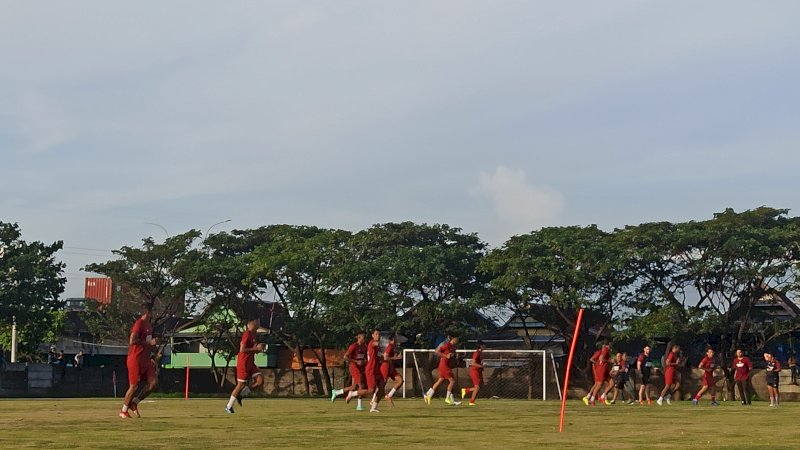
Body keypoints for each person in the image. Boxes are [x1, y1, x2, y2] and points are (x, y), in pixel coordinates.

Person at [120, 302, 158, 419]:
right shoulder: (139, 323)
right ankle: (123, 411)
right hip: (135, 358)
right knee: (134, 386)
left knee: (153, 383)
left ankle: (134, 403)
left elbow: (148, 344)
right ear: (148, 311)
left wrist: (153, 350)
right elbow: (132, 340)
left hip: (146, 359)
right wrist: (149, 343)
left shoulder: (149, 326)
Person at [225, 317, 265, 414]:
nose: (259, 323)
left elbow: (253, 349)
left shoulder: (254, 334)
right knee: (240, 385)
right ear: (253, 322)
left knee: (260, 380)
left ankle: (242, 395)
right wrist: (255, 349)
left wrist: (259, 348)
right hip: (244, 363)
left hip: (251, 363)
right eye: (258, 321)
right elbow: (242, 350)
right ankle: (228, 406)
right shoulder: (247, 334)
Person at [331, 332, 367, 410]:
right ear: (359, 338)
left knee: (353, 387)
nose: (365, 340)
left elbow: (364, 358)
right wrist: (355, 361)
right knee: (361, 385)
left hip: (360, 368)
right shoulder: (353, 346)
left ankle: (337, 392)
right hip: (354, 367)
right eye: (364, 338)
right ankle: (359, 405)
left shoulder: (364, 347)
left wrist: (364, 362)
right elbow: (345, 357)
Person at [424, 335, 461, 406]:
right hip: (444, 366)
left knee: (440, 381)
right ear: (451, 339)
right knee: (452, 381)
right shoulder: (446, 345)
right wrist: (445, 355)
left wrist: (455, 356)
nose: (455, 341)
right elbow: (437, 351)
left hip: (447, 365)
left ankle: (428, 395)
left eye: (456, 340)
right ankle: (448, 399)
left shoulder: (453, 347)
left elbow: (452, 354)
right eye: (454, 340)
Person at [583, 341, 612, 406]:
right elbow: (595, 359)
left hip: (604, 369)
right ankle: (591, 399)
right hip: (599, 369)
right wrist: (598, 364)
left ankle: (601, 397)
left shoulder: (606, 351)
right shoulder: (603, 351)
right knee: (598, 384)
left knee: (611, 382)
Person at [364, 329, 385, 413]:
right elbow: (377, 344)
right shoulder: (372, 343)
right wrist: (389, 343)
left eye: (379, 334)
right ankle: (353, 394)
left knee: (381, 388)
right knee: (371, 390)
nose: (378, 336)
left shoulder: (378, 347)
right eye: (376, 334)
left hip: (377, 370)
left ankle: (373, 407)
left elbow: (381, 356)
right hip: (370, 369)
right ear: (372, 335)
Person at [380, 333, 404, 406]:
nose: (398, 340)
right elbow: (385, 357)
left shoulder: (393, 347)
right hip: (385, 367)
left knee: (400, 380)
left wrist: (396, 356)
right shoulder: (389, 346)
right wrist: (396, 358)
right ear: (393, 339)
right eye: (396, 338)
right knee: (382, 385)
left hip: (391, 368)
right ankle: (373, 400)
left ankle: (389, 395)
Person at [461, 340, 486, 406]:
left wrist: (482, 365)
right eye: (484, 345)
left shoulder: (481, 353)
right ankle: (471, 401)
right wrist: (481, 366)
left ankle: (466, 390)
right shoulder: (477, 353)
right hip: (474, 371)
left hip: (479, 371)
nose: (485, 346)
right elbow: (473, 362)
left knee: (480, 386)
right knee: (477, 387)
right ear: (481, 346)